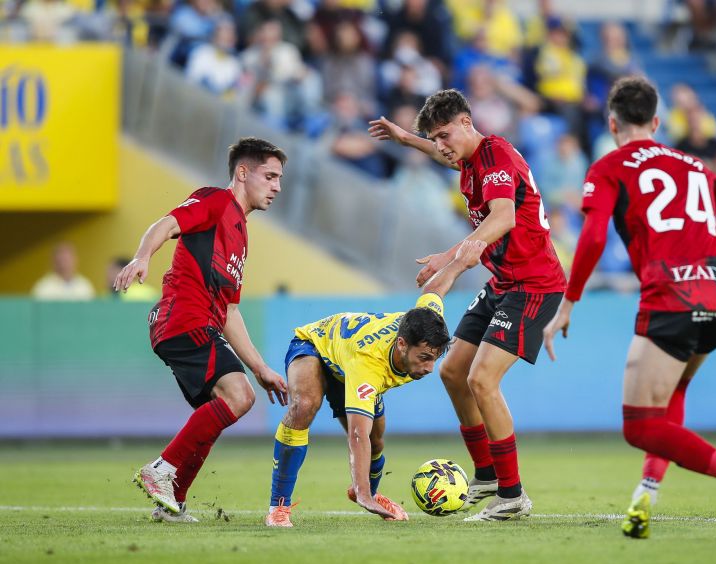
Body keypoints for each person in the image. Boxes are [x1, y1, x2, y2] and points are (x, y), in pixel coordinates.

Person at [542, 77, 716, 541]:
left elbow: (591, 237)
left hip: (672, 298)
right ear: (656, 121)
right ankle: (645, 496)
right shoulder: (694, 165)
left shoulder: (611, 165)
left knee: (638, 426)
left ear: (612, 123)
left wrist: (569, 302)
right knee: (672, 394)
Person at [369, 89, 567, 521]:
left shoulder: (495, 158)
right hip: (504, 282)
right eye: (434, 138)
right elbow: (445, 155)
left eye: (444, 134)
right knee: (453, 370)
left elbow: (503, 217)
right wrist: (407, 139)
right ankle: (487, 474)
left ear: (465, 123)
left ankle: (512, 496)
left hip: (534, 285)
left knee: (482, 380)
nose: (441, 145)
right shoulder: (469, 158)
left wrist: (453, 260)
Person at [114, 137, 289, 523]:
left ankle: (172, 502)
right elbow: (167, 223)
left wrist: (261, 368)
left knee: (220, 409)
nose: (277, 186)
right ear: (243, 173)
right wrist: (143, 257)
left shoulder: (240, 234)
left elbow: (229, 311)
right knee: (238, 397)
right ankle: (160, 470)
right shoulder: (215, 201)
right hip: (183, 318)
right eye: (270, 176)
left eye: (279, 178)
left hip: (200, 322)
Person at [266, 239, 487, 527]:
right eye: (423, 358)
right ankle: (279, 505)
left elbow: (433, 290)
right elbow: (356, 435)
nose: (430, 368)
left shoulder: (427, 325)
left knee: (377, 437)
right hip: (316, 347)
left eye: (435, 358)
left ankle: (369, 490)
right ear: (402, 344)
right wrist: (363, 496)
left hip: (347, 358)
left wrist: (460, 263)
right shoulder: (369, 365)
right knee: (305, 406)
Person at [32, 242, 96, 301]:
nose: (64, 264)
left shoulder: (85, 286)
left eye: (67, 259)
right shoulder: (43, 287)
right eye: (61, 259)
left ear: (76, 260)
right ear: (54, 261)